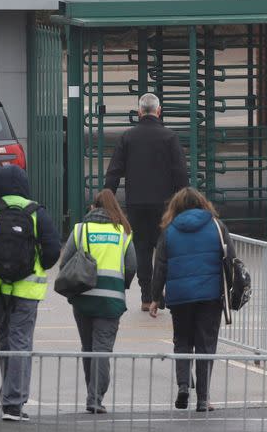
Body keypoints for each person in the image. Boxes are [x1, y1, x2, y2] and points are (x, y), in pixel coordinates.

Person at [0, 165, 61, 421]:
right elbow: (53, 250)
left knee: (6, 339)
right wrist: (37, 263)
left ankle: (8, 397)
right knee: (21, 342)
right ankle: (14, 403)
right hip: (27, 289)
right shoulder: (36, 212)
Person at [149, 187, 235, 413]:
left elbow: (160, 266)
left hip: (180, 297)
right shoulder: (217, 226)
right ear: (202, 203)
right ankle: (203, 399)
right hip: (210, 296)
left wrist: (155, 297)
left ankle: (184, 386)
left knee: (182, 341)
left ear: (175, 207)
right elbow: (231, 259)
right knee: (206, 346)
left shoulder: (169, 231)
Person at [104, 93, 189, 311]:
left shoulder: (128, 137)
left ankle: (146, 296)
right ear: (158, 111)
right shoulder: (170, 137)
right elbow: (180, 173)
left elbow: (114, 172)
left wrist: (107, 199)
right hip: (165, 204)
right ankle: (159, 295)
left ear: (139, 112)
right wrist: (184, 202)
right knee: (164, 248)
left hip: (136, 203)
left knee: (141, 249)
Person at [58, 189, 137, 414]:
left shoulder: (81, 230)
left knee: (89, 348)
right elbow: (131, 265)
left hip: (83, 297)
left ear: (93, 207)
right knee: (102, 349)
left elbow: (65, 262)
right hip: (111, 299)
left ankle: (91, 391)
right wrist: (121, 284)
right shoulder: (122, 232)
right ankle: (95, 397)